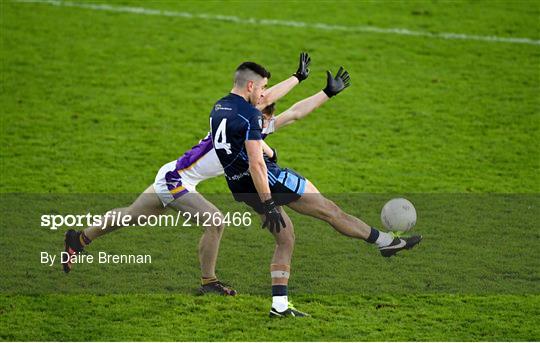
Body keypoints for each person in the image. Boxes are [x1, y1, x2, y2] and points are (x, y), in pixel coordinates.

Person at [62, 53, 312, 297]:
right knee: (214, 221)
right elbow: (266, 103)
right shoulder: (245, 121)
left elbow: (282, 108)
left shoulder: (239, 115)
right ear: (251, 89)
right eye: (261, 91)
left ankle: (78, 239)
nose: (264, 99)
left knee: (131, 216)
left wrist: (298, 78)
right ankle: (209, 282)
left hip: (173, 174)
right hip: (176, 179)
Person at [209, 62, 422, 318]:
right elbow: (257, 163)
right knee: (330, 211)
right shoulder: (251, 116)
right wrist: (268, 202)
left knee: (285, 238)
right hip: (268, 182)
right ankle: (386, 242)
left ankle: (279, 306)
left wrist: (310, 85)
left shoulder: (220, 108)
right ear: (251, 86)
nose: (266, 93)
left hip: (241, 187)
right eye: (263, 88)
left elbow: (288, 112)